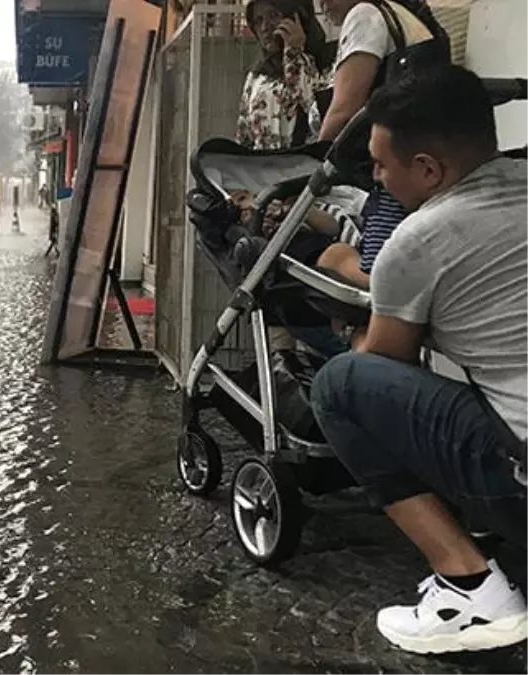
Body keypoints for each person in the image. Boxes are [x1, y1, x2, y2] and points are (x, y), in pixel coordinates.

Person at [311, 65, 528, 655]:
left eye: (381, 165)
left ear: (429, 169)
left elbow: (384, 374)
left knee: (341, 385)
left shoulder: (417, 241)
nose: (376, 176)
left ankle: (470, 590)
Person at [315, 0, 450, 288]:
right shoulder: (408, 19)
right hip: (423, 170)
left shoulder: (366, 15)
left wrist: (314, 162)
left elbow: (344, 108)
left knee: (377, 272)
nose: (321, 3)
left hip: (393, 175)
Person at [236, 0, 333, 150]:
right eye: (258, 20)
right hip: (264, 169)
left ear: (297, 18)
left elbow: (316, 113)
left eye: (273, 16)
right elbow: (244, 138)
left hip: (306, 166)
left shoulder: (325, 63)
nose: (265, 27)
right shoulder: (256, 78)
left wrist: (295, 54)